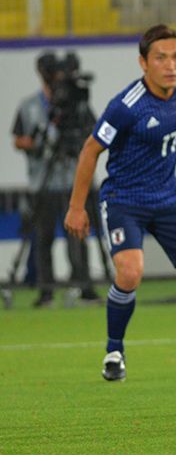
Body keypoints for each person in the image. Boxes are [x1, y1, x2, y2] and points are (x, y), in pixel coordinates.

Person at [63, 25, 176, 379]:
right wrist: (76, 207)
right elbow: (90, 150)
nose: (171, 64)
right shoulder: (125, 106)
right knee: (130, 274)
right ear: (143, 63)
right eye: (160, 58)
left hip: (168, 199)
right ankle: (114, 352)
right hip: (124, 200)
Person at [12, 55, 99, 307]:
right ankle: (46, 291)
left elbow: (93, 134)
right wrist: (35, 144)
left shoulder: (76, 104)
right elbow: (18, 138)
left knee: (78, 236)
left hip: (74, 182)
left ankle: (84, 287)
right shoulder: (29, 106)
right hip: (43, 181)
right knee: (43, 238)